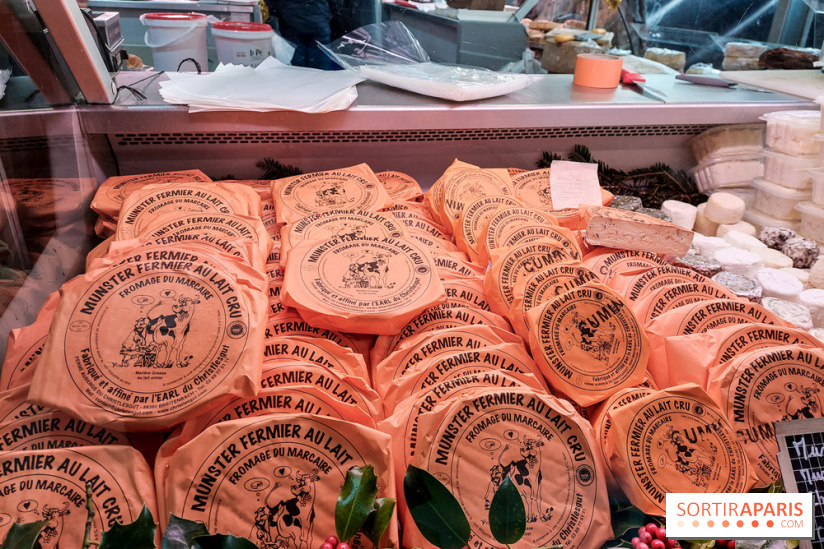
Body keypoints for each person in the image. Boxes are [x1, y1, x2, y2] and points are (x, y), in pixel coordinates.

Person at [265, 0, 343, 69]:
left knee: (295, 58)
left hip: (291, 21)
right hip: (319, 21)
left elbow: (272, 3)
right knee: (320, 58)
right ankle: (322, 81)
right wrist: (331, 13)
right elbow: (337, 3)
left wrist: (276, 13)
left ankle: (298, 81)